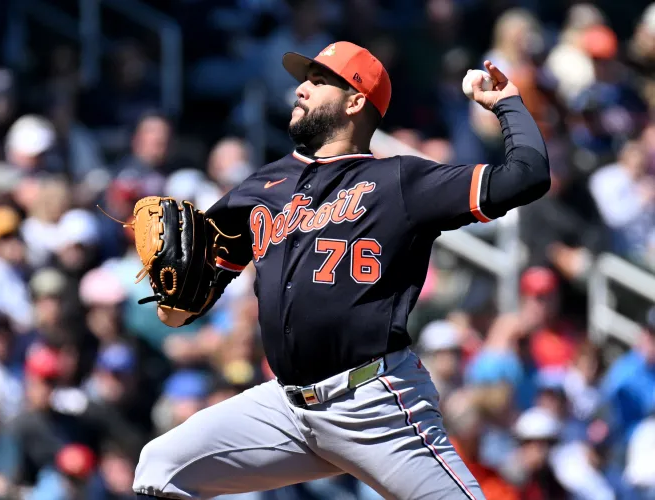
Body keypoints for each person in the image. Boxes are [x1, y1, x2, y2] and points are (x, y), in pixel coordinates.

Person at [134, 41, 550, 499]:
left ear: (355, 102)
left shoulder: (400, 182)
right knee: (160, 467)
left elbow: (527, 175)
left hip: (373, 403)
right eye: (304, 80)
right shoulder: (260, 188)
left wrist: (508, 105)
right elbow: (182, 308)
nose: (301, 89)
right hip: (286, 407)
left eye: (319, 81)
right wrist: (174, 296)